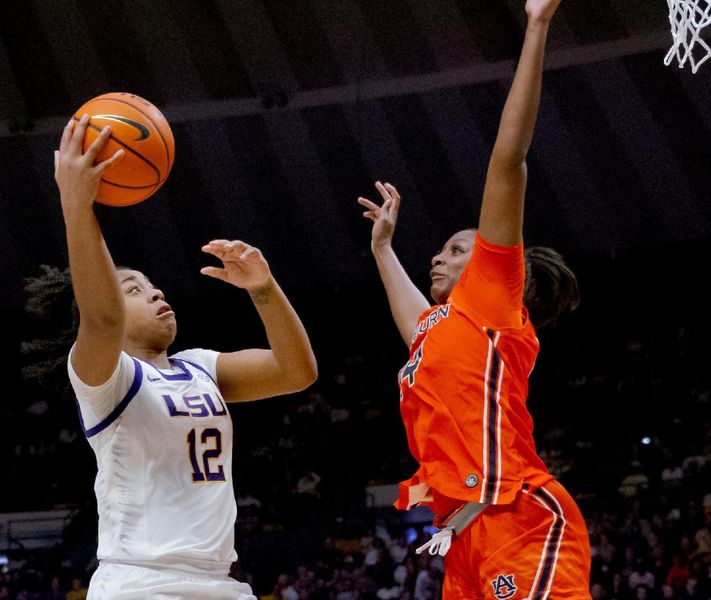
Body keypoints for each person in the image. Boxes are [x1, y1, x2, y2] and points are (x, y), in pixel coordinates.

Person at [356, 0, 589, 598]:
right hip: (462, 537)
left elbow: (507, 164)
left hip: (521, 518)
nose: (439, 256)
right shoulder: (439, 328)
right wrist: (384, 249)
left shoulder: (490, 303)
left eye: (457, 249)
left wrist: (535, 26)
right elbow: (413, 324)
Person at [54, 115, 317, 598]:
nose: (156, 295)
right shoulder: (104, 377)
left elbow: (296, 371)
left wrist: (264, 288)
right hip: (140, 583)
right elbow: (104, 318)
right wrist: (77, 204)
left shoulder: (199, 365)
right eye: (134, 289)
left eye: (155, 287)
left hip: (219, 581)